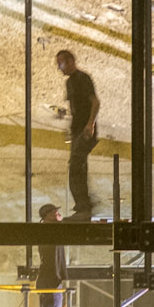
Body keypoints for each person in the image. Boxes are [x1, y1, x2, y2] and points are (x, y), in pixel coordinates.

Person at [55, 49, 99, 220]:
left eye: (61, 63)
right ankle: (84, 206)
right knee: (79, 166)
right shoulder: (70, 82)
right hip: (77, 131)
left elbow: (95, 102)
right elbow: (74, 107)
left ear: (71, 61)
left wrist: (90, 125)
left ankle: (84, 207)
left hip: (84, 131)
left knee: (75, 167)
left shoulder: (82, 78)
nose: (59, 67)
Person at [26, 203, 69, 307]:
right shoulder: (49, 231)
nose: (57, 213)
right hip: (50, 281)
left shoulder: (49, 230)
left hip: (49, 280)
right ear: (46, 216)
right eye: (53, 212)